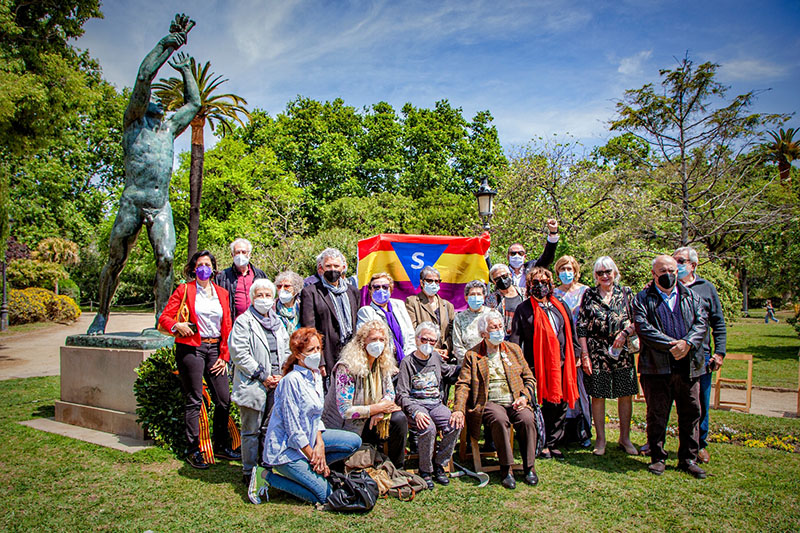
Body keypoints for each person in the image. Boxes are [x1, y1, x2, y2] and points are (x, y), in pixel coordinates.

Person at [88, 15, 200, 334]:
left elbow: (194, 103)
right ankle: (101, 314)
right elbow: (143, 76)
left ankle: (161, 321)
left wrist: (187, 71)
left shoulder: (168, 129)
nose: (157, 102)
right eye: (152, 99)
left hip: (159, 203)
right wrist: (169, 42)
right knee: (116, 260)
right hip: (132, 201)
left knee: (166, 258)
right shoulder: (133, 124)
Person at [249, 328, 362, 505]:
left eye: (318, 349)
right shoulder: (291, 381)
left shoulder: (315, 375)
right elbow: (293, 430)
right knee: (325, 496)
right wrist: (315, 459)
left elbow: (316, 416)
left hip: (310, 437)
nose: (316, 354)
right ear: (298, 354)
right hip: (286, 449)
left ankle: (306, 473)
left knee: (353, 441)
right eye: (311, 350)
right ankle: (265, 476)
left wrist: (321, 445)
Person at [158, 250, 239, 469]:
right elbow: (165, 317)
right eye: (200, 264)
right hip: (191, 348)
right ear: (194, 268)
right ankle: (193, 449)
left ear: (213, 268)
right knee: (194, 399)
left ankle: (221, 444)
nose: (204, 268)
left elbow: (228, 325)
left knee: (223, 399)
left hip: (215, 349)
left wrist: (225, 355)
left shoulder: (221, 293)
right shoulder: (184, 290)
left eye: (208, 264)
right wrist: (177, 326)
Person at [632, 255, 708, 479]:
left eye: (672, 270)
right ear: (654, 274)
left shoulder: (692, 297)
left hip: (688, 366)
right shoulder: (643, 298)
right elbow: (642, 327)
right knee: (657, 413)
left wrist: (687, 343)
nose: (669, 275)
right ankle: (657, 457)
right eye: (663, 271)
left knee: (691, 412)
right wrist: (671, 345)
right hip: (656, 367)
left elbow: (701, 323)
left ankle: (688, 458)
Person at [451, 311, 539, 489]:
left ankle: (529, 467)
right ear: (484, 333)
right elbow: (463, 384)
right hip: (489, 402)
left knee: (527, 419)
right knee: (500, 419)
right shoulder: (473, 355)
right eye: (494, 327)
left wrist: (524, 397)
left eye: (500, 327)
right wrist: (459, 409)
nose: (499, 330)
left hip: (514, 399)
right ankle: (506, 468)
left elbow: (529, 378)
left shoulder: (513, 349)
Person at [509, 267, 580, 460]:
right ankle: (541, 443)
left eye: (544, 282)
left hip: (563, 363)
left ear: (550, 284)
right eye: (535, 283)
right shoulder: (524, 309)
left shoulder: (561, 305)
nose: (540, 286)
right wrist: (519, 365)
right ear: (529, 285)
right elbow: (516, 340)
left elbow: (571, 333)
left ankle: (553, 442)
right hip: (536, 365)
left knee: (560, 404)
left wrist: (577, 353)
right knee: (543, 405)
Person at [229, 278, 291, 484]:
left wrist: (282, 373)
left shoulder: (278, 322)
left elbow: (287, 349)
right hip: (254, 383)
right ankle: (249, 470)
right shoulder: (243, 322)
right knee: (251, 430)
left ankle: (266, 468)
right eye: (259, 295)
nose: (264, 299)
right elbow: (239, 353)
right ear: (252, 298)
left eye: (267, 295)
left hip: (277, 382)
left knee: (269, 428)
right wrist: (263, 376)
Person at [322, 320, 408, 468]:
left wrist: (380, 410)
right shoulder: (346, 368)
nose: (378, 343)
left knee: (399, 419)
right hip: (345, 426)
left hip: (369, 419)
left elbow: (389, 393)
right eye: (373, 339)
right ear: (362, 341)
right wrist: (376, 409)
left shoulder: (382, 363)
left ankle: (396, 467)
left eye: (382, 340)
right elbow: (345, 410)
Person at [576, 256, 639, 456]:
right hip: (597, 352)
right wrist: (585, 354)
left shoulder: (626, 293)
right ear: (595, 275)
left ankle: (625, 438)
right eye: (600, 272)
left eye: (608, 271)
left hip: (622, 351)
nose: (605, 276)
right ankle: (601, 439)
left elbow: (639, 319)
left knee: (625, 394)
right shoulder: (589, 294)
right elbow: (582, 327)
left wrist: (625, 334)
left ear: (615, 272)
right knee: (599, 395)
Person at [674, 246, 727, 464]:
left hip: (700, 356)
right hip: (673, 354)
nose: (677, 264)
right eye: (674, 260)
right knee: (664, 402)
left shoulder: (706, 289)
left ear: (693, 265)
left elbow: (718, 323)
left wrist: (720, 353)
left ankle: (699, 445)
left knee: (699, 404)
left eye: (681, 261)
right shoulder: (668, 287)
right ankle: (655, 442)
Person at [395, 322, 461, 489]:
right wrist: (415, 411)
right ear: (417, 340)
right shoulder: (407, 362)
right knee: (428, 428)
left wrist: (466, 365)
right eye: (424, 339)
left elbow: (448, 371)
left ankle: (439, 464)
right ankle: (425, 470)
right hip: (416, 405)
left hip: (436, 404)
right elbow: (401, 394)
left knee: (454, 423)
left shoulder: (436, 358)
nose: (428, 344)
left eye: (432, 341)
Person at [300, 248, 360, 381]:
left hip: (350, 353)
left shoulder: (353, 292)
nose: (332, 269)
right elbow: (309, 330)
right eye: (328, 266)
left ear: (343, 268)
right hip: (327, 355)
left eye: (336, 266)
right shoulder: (311, 293)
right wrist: (319, 360)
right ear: (321, 268)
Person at [552, 255, 592, 448]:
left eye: (569, 269)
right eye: (562, 269)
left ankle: (584, 429)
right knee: (563, 387)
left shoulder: (586, 292)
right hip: (560, 347)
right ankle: (564, 429)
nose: (566, 273)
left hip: (582, 344)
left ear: (575, 271)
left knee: (581, 388)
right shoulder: (553, 294)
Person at [357, 272, 416, 362]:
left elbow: (410, 334)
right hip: (383, 362)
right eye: (376, 287)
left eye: (385, 287)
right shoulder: (366, 312)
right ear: (370, 290)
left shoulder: (399, 305)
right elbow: (365, 342)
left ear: (391, 289)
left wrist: (409, 360)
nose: (381, 290)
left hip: (406, 360)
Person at [405, 266, 456, 361]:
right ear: (422, 282)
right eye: (429, 281)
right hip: (423, 355)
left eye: (437, 281)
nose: (433, 284)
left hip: (445, 357)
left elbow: (451, 331)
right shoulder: (412, 302)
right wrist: (432, 348)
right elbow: (412, 330)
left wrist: (446, 349)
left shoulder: (448, 305)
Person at [215, 238, 267, 320]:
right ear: (232, 255)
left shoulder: (260, 275)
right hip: (234, 324)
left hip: (257, 322)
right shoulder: (222, 276)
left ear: (249, 254)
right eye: (237, 252)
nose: (241, 255)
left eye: (244, 252)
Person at [506, 218, 560, 297]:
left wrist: (553, 232)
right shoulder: (502, 272)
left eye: (520, 253)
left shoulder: (533, 268)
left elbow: (547, 257)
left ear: (524, 257)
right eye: (513, 253)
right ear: (508, 256)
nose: (516, 256)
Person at [452, 280, 492, 364]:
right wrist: (472, 361)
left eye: (479, 294)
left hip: (489, 363)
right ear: (466, 297)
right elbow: (457, 346)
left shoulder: (492, 315)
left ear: (484, 297)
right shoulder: (459, 318)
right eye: (472, 294)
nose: (476, 297)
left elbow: (498, 340)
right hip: (467, 365)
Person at [488, 263, 524, 339]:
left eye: (504, 276)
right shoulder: (491, 299)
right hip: (503, 339)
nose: (502, 280)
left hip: (524, 337)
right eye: (497, 279)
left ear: (510, 275)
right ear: (494, 282)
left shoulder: (524, 294)